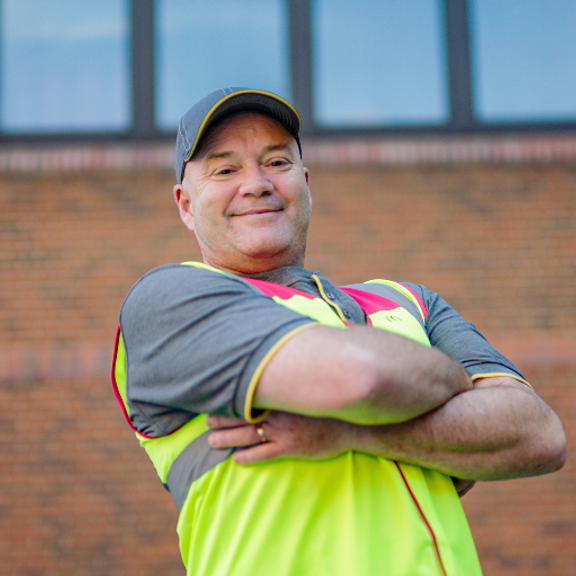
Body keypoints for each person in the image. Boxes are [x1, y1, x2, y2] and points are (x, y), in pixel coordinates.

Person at [112, 87, 566, 576]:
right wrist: (455, 393)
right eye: (225, 170)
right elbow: (360, 376)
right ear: (184, 204)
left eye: (277, 162)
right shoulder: (171, 299)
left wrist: (347, 430)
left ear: (305, 182)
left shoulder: (408, 300)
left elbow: (539, 435)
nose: (257, 184)